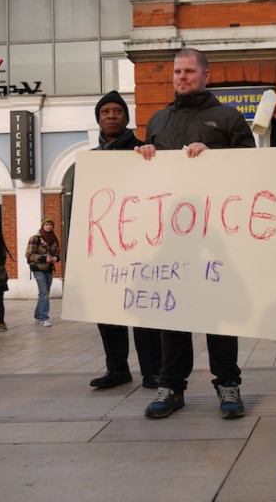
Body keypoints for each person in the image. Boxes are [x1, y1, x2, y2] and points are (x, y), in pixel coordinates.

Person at [136, 48, 254, 420]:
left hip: (217, 235)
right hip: (171, 239)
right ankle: (171, 386)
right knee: (173, 315)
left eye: (188, 71)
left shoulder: (228, 118)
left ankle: (228, 384)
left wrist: (215, 157)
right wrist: (144, 153)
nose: (181, 77)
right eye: (176, 72)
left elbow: (251, 170)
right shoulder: (158, 119)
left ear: (206, 75)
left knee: (217, 312)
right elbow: (145, 183)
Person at [87, 91, 163, 389]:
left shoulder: (145, 151)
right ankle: (117, 368)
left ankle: (152, 370)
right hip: (105, 245)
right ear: (99, 119)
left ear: (126, 118)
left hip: (140, 243)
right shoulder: (92, 160)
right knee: (107, 309)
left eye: (117, 111)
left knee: (143, 309)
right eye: (105, 112)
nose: (111, 116)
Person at [25, 218, 60, 327]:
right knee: (44, 292)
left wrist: (55, 258)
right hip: (38, 268)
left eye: (50, 224)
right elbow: (29, 254)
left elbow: (57, 254)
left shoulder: (54, 239)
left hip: (49, 268)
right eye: (47, 224)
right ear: (42, 226)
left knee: (44, 293)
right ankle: (44, 317)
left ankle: (37, 314)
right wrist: (44, 258)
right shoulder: (35, 238)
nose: (49, 226)